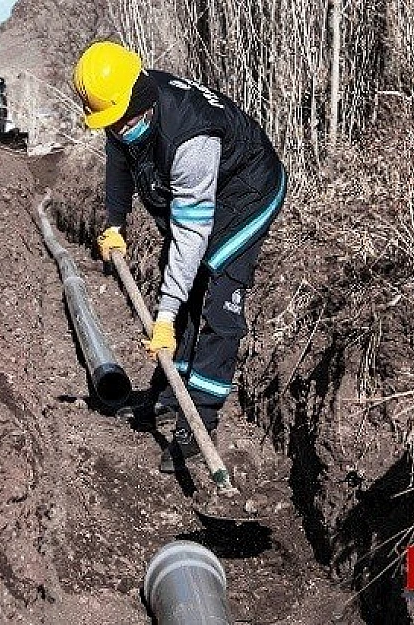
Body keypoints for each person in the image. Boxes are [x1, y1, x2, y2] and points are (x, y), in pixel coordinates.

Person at [73, 41, 286, 472]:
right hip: (206, 194)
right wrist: (115, 223)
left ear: (141, 100)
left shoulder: (191, 138)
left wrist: (165, 315)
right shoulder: (123, 114)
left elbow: (190, 233)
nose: (119, 130)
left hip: (247, 190)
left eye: (123, 122)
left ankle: (200, 420)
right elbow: (119, 163)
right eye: (111, 125)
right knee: (185, 283)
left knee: (217, 294)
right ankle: (171, 396)